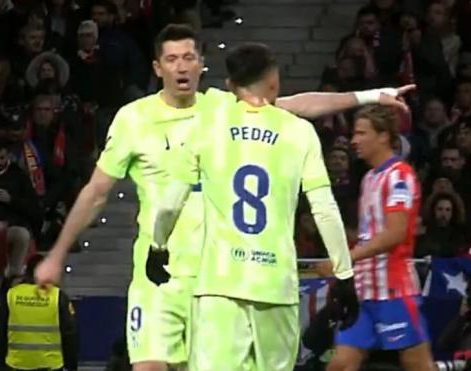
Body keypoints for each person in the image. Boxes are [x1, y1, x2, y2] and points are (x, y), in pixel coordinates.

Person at [34, 24, 415, 371]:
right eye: (171, 59)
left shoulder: (220, 108)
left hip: (213, 278)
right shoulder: (134, 119)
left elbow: (294, 104)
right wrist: (57, 254)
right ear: (156, 68)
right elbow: (97, 191)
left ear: (202, 64)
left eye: (189, 57)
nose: (181, 66)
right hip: (159, 276)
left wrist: (371, 95)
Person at [149, 42, 358, 371]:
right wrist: (344, 274)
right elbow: (324, 207)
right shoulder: (299, 132)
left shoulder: (205, 126)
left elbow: (169, 202)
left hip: (219, 284)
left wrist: (157, 245)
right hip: (275, 284)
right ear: (274, 81)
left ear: (230, 86)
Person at [326, 105, 435, 371]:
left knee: (416, 363)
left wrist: (347, 257)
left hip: (394, 289)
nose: (354, 140)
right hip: (363, 289)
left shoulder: (399, 176)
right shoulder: (369, 179)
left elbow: (395, 233)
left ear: (384, 136)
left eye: (362, 133)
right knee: (342, 363)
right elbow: (369, 235)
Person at [0, 255, 78, 371]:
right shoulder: (57, 296)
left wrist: (1, 363)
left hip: (15, 365)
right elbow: (70, 334)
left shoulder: (11, 295)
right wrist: (71, 365)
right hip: (50, 365)